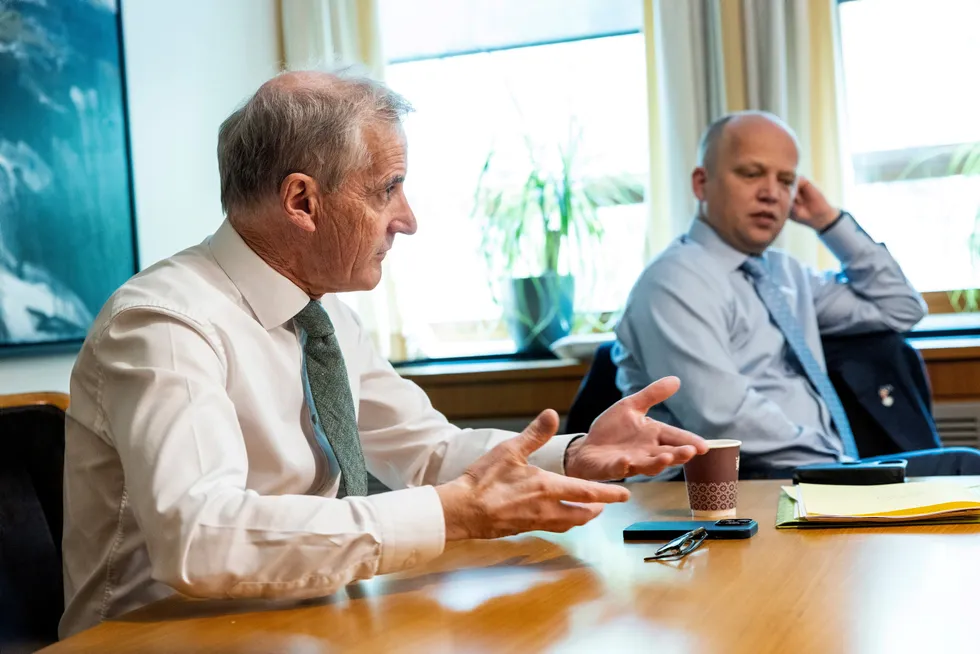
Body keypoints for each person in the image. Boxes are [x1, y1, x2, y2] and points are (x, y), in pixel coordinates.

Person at [59, 71, 708, 638]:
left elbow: (427, 451)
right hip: (155, 639)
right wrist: (446, 515)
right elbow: (200, 539)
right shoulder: (165, 323)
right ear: (302, 201)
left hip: (300, 620)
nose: (408, 218)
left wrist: (573, 453)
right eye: (387, 188)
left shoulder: (323, 314)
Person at [614, 110, 980, 479]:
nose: (771, 193)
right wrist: (839, 467)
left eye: (786, 180)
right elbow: (724, 419)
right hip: (727, 482)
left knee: (954, 476)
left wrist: (828, 222)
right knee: (962, 470)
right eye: (751, 173)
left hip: (801, 473)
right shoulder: (674, 281)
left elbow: (900, 308)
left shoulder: (785, 273)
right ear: (701, 183)